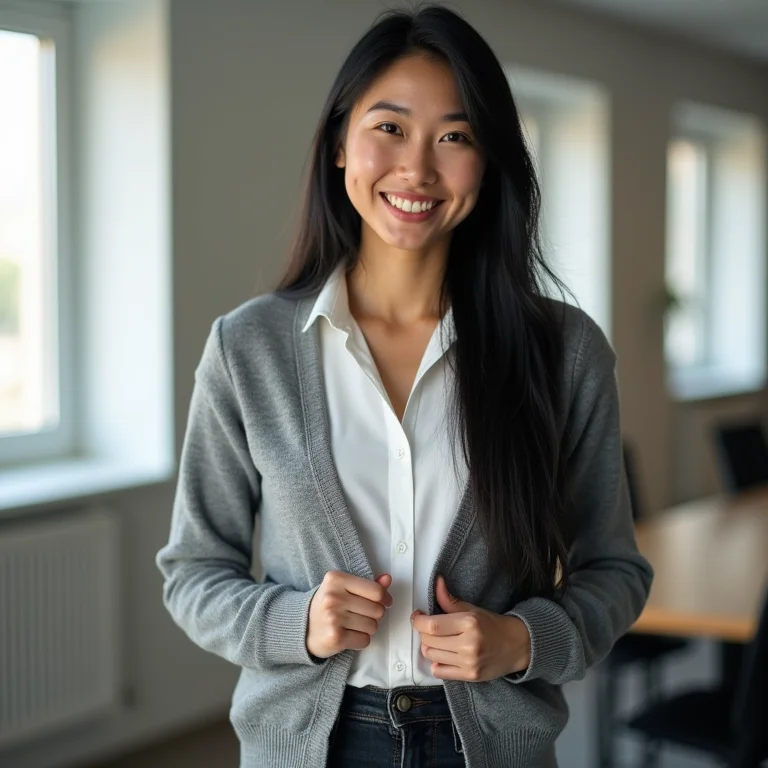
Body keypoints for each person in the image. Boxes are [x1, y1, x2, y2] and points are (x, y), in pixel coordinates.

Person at [155, 5, 653, 767]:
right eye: (389, 127)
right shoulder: (246, 348)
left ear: (489, 164)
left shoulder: (565, 353)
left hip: (491, 747)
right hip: (308, 746)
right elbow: (193, 572)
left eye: (455, 137)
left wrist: (524, 640)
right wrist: (298, 623)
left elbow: (614, 568)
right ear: (338, 144)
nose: (417, 169)